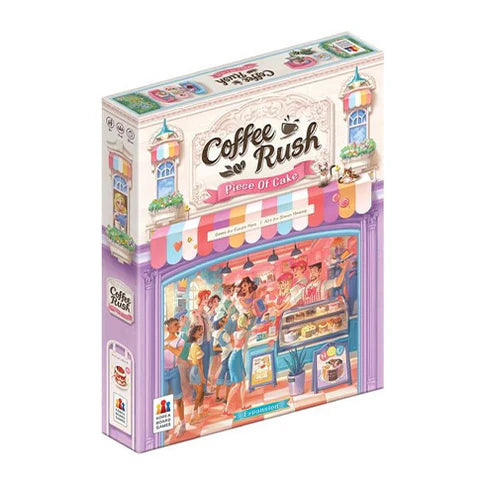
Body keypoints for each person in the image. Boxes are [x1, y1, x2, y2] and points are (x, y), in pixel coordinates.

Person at [162, 317, 187, 437]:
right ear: (168, 328)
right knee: (164, 400)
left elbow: (178, 353)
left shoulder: (180, 341)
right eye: (175, 325)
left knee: (178, 398)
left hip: (174, 372)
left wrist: (168, 347)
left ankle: (182, 423)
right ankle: (165, 427)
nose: (178, 326)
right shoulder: (161, 341)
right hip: (162, 373)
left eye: (178, 324)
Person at [224, 314, 251, 415]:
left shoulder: (236, 333)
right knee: (237, 384)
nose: (249, 321)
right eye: (248, 320)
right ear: (245, 321)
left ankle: (243, 405)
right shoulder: (244, 332)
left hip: (237, 357)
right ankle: (226, 408)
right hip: (235, 358)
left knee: (243, 382)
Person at [191, 290, 212, 393]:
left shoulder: (205, 313)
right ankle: (196, 393)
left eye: (207, 298)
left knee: (206, 366)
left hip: (206, 342)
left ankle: (204, 390)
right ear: (199, 300)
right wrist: (199, 317)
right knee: (198, 368)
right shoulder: (195, 313)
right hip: (198, 343)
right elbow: (196, 329)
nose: (206, 300)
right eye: (204, 298)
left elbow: (209, 327)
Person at [188, 324, 207, 424]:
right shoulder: (196, 347)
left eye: (201, 330)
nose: (201, 332)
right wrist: (202, 376)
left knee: (201, 392)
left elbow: (190, 360)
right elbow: (200, 364)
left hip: (193, 371)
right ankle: (193, 416)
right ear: (194, 334)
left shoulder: (192, 346)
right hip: (197, 371)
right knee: (199, 393)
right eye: (199, 331)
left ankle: (200, 412)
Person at [213, 312, 233, 403]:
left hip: (224, 356)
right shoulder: (224, 333)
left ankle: (217, 396)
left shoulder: (216, 334)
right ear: (220, 322)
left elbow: (214, 347)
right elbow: (231, 341)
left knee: (221, 375)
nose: (226, 319)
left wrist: (222, 348)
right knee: (228, 376)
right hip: (229, 354)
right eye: (224, 318)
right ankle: (226, 398)